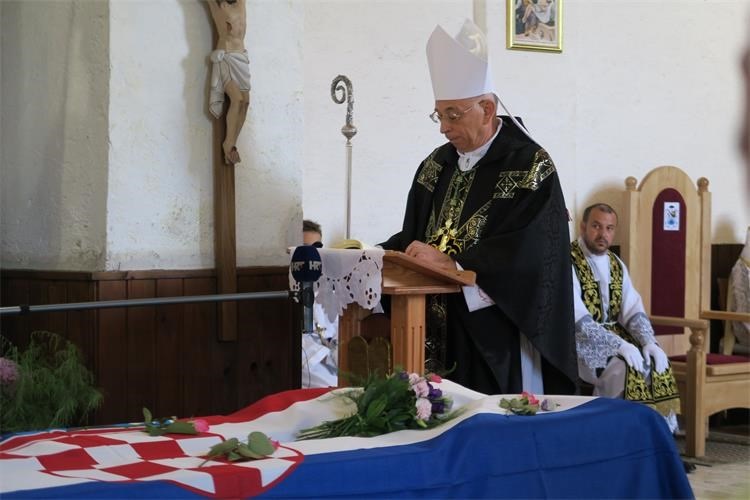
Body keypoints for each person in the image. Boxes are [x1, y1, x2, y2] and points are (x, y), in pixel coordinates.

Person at [380, 20, 577, 396]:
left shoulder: (530, 166)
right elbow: (414, 236)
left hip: (493, 336)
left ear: (487, 109)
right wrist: (373, 256)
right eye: (439, 115)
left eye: (453, 115)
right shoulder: (435, 165)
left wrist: (455, 266)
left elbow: (535, 254)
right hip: (428, 326)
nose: (443, 127)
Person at [571, 203, 681, 431]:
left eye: (609, 228)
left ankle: (657, 438)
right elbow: (577, 316)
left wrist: (649, 342)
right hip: (581, 342)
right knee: (624, 369)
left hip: (618, 337)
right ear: (583, 227)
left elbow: (632, 308)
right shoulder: (568, 261)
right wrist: (618, 345)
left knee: (655, 363)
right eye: (596, 226)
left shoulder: (616, 264)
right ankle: (615, 434)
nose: (603, 234)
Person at [207, 0, 250, 166]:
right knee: (237, 99)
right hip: (227, 57)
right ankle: (228, 144)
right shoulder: (219, 6)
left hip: (242, 57)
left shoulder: (241, 3)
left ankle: (232, 143)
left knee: (245, 103)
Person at [300, 219, 338, 388]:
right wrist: (323, 355)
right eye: (305, 248)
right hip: (309, 362)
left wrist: (338, 353)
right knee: (330, 389)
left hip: (334, 358)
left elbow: (340, 327)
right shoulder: (290, 288)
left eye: (316, 247)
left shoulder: (330, 287)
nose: (312, 254)